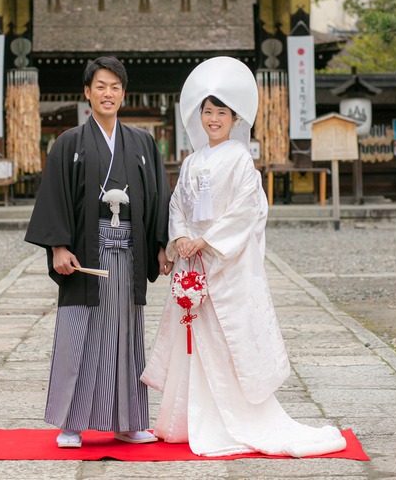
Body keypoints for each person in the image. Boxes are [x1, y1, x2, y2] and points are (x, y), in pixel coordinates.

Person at [140, 56, 347, 457]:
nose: (213, 119)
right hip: (193, 262)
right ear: (199, 116)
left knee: (224, 340)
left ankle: (226, 421)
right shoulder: (191, 161)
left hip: (223, 264)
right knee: (194, 339)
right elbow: (177, 206)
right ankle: (186, 420)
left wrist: (206, 241)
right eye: (208, 112)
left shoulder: (240, 159)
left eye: (221, 113)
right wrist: (180, 236)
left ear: (234, 119)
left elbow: (246, 210)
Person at [24, 56, 171, 449]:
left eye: (115, 87)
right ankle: (71, 424)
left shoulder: (142, 143)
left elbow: (158, 196)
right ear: (87, 93)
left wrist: (161, 246)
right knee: (79, 333)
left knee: (126, 335)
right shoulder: (69, 142)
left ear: (123, 94)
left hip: (129, 252)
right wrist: (58, 246)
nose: (108, 94)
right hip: (86, 254)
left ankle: (129, 421)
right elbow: (55, 196)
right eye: (100, 86)